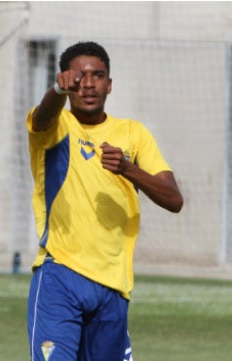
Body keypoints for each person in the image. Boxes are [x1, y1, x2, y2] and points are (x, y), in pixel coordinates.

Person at [25, 41, 183, 361]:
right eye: (79, 76)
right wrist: (56, 89)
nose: (88, 84)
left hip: (113, 286)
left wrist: (127, 169)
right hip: (60, 275)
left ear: (109, 84)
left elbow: (174, 199)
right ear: (68, 81)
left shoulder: (133, 133)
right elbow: (42, 118)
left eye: (97, 76)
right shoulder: (56, 126)